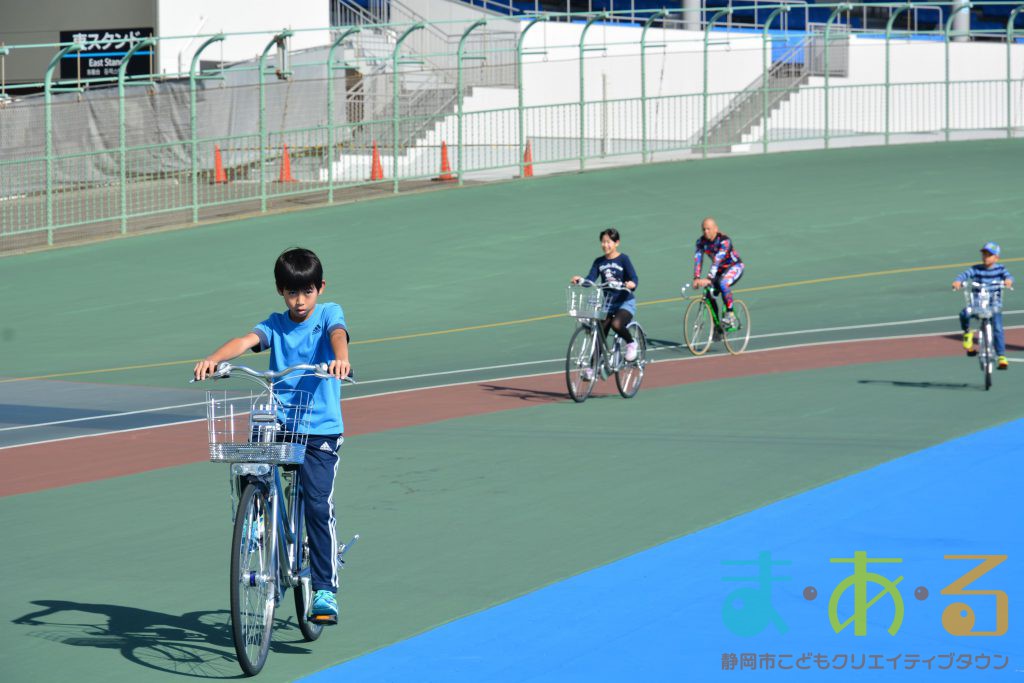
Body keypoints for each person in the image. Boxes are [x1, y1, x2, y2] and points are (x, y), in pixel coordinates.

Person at [194, 247, 351, 623]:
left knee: (316, 503)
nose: (300, 301)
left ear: (320, 288)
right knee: (249, 463)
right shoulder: (276, 324)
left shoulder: (329, 313)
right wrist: (215, 359)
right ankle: (256, 522)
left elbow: (338, 335)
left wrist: (340, 359)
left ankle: (325, 588)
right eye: (292, 292)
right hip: (280, 422)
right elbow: (245, 341)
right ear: (281, 291)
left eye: (307, 292)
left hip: (319, 430)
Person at [571, 228, 640, 371]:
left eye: (608, 242)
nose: (605, 245)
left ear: (616, 243)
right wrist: (581, 280)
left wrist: (632, 284)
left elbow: (634, 278)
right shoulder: (599, 262)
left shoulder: (623, 259)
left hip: (625, 303)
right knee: (599, 334)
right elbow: (590, 279)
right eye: (603, 242)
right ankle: (592, 368)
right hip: (608, 305)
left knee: (616, 324)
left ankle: (631, 343)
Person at [952, 241, 1014, 370]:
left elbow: (1008, 277)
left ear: (996, 257)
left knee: (997, 328)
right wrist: (958, 281)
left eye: (989, 255)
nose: (986, 257)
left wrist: (1008, 281)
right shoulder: (976, 269)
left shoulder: (1000, 269)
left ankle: (1001, 356)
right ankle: (967, 333)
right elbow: (964, 275)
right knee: (965, 313)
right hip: (977, 303)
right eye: (984, 254)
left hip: (994, 303)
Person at [692, 217, 744, 329]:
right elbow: (698, 259)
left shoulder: (724, 241)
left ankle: (730, 314)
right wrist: (696, 277)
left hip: (735, 266)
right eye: (704, 229)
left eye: (708, 229)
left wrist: (709, 278)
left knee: (723, 283)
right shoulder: (700, 242)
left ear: (715, 229)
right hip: (720, 271)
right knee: (709, 294)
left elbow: (716, 261)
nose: (706, 232)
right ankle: (718, 327)